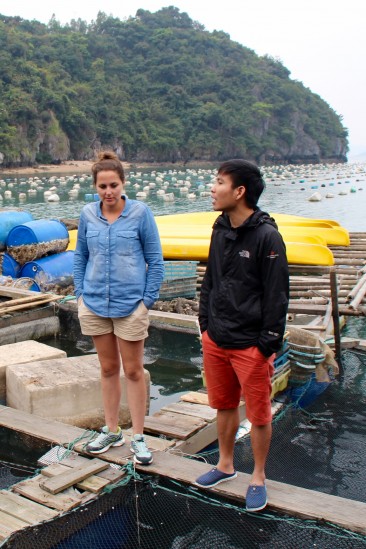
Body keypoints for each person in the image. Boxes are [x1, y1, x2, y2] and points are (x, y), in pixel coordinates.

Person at [195, 159, 289, 511]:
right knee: (223, 405)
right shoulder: (220, 228)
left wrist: (266, 344)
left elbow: (277, 295)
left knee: (260, 414)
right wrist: (206, 325)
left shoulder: (268, 236)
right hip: (217, 338)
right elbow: (211, 279)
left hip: (251, 344)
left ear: (239, 191)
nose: (212, 188)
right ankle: (225, 465)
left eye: (218, 182)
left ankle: (259, 476)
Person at [73, 151, 164, 465]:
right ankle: (112, 430)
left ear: (124, 183)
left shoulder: (140, 213)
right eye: (102, 186)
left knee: (135, 371)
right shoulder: (87, 214)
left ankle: (138, 436)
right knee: (108, 369)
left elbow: (156, 261)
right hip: (95, 303)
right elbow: (80, 256)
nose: (108, 191)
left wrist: (146, 303)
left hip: (130, 306)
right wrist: (79, 295)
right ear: (95, 187)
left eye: (113, 185)